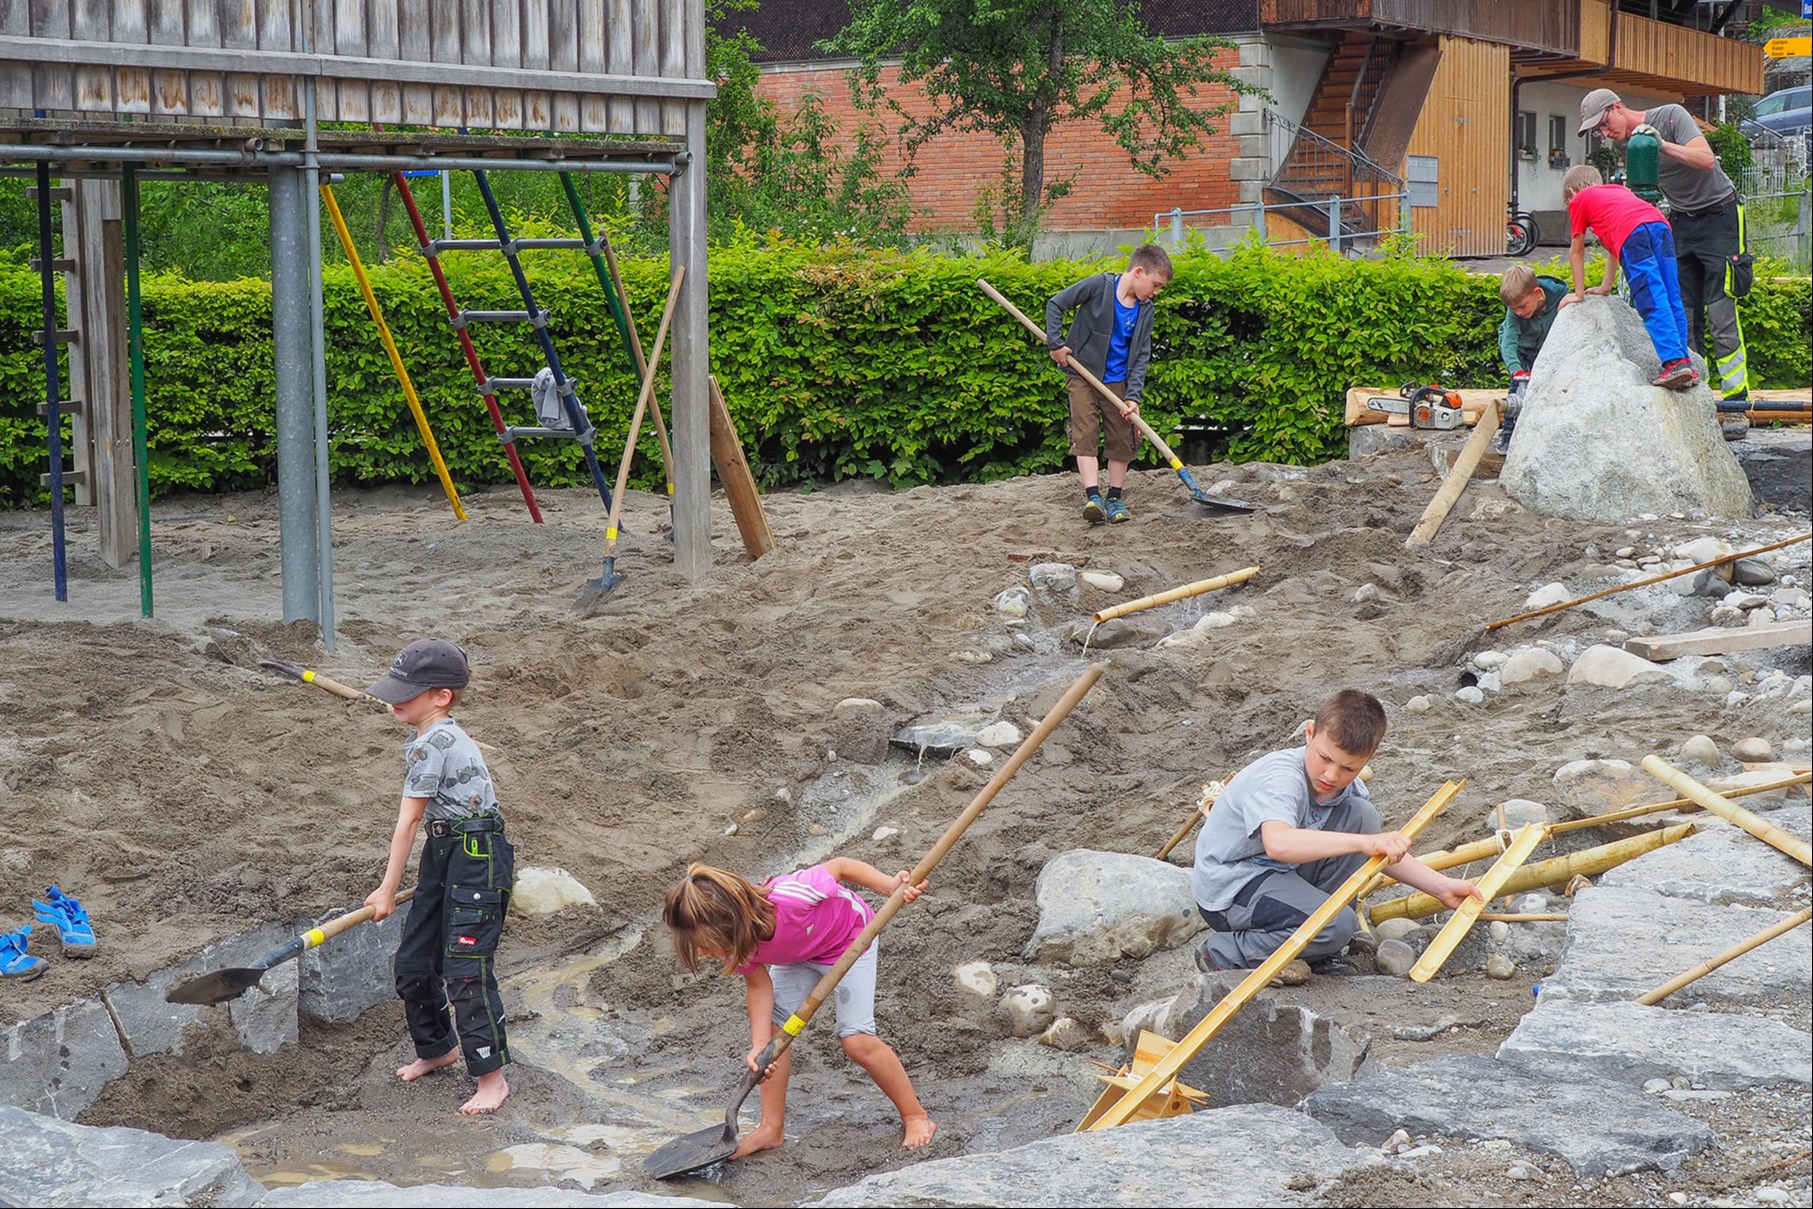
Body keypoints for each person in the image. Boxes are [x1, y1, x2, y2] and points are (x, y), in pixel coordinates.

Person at [1190, 689, 1483, 974]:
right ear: (1309, 733)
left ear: (1369, 757)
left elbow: (1378, 849)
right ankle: (1224, 952)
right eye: (1325, 759)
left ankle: (1319, 950)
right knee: (1338, 924)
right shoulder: (1280, 778)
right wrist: (1363, 843)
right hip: (1233, 889)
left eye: (1348, 768)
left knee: (1362, 816)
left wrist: (1440, 887)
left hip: (1281, 875)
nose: (1331, 775)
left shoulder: (1347, 788)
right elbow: (1278, 844)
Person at [663, 860, 936, 1158]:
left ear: (731, 924)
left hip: (851, 940)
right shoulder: (738, 944)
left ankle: (915, 1116)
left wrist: (887, 885)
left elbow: (842, 867)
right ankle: (771, 1129)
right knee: (772, 1039)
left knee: (857, 1041)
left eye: (704, 946)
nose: (704, 955)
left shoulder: (794, 896)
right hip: (797, 956)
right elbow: (758, 986)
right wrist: (758, 1045)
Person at [363, 637, 515, 1116]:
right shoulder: (426, 738)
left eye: (405, 691)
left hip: (477, 854)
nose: (393, 699)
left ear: (441, 697)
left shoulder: (433, 745)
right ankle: (437, 1048)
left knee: (465, 970)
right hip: (444, 848)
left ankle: (492, 1078)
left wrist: (387, 889)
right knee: (413, 962)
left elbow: (406, 821)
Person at [1579, 88, 1751, 437]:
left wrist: (1663, 145)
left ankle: (1735, 406)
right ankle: (1697, 396)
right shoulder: (1629, 147)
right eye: (1597, 130)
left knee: (1721, 315)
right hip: (1681, 222)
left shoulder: (1671, 116)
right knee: (1682, 313)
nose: (1605, 132)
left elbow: (1705, 160)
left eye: (1604, 123)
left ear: (1618, 107)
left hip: (1720, 215)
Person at [1045, 243, 1172, 525]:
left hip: (1118, 380)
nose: (1156, 292)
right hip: (1082, 374)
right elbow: (1056, 304)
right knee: (1085, 431)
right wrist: (1056, 344)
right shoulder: (1098, 287)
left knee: (1122, 436)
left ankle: (1115, 497)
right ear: (1139, 272)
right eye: (1155, 284)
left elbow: (1140, 355)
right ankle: (1093, 496)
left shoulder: (1145, 309)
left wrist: (1133, 396)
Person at [1560, 164, 1698, 392]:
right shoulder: (1617, 192)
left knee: (1651, 297)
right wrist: (1605, 287)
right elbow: (1615, 250)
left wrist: (1578, 293)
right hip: (1660, 226)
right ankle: (1685, 364)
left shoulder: (1579, 199)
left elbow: (1576, 250)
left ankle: (1674, 362)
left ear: (1572, 193)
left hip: (1634, 233)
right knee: (1671, 295)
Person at [1495, 265, 1569, 454]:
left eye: (1522, 306)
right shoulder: (1515, 312)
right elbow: (1509, 339)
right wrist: (1515, 369)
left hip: (1545, 350)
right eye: (1514, 308)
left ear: (1537, 293)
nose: (1518, 312)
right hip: (1520, 348)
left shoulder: (1560, 296)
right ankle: (1508, 433)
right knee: (1517, 391)